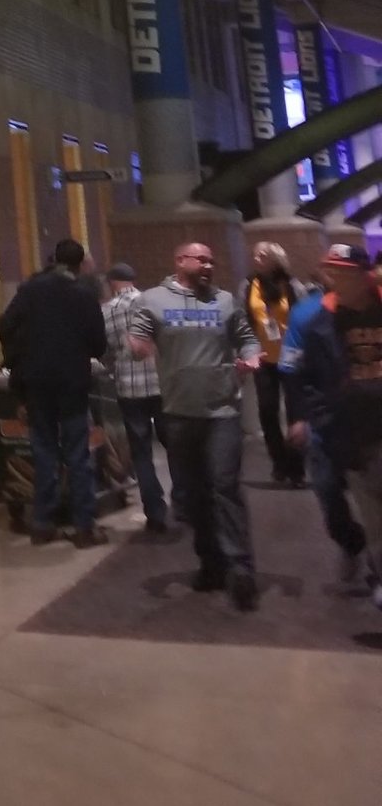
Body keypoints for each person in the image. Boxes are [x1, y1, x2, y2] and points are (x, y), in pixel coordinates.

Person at [131, 240, 260, 610]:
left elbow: (246, 339)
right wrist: (138, 345)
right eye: (201, 259)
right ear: (180, 260)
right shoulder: (153, 300)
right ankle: (211, 562)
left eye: (211, 261)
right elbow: (138, 337)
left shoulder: (223, 302)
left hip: (222, 412)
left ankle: (240, 568)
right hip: (178, 413)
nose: (208, 265)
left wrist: (250, 358)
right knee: (193, 493)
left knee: (224, 485)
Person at [285, 240, 382, 607]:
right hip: (342, 429)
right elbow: (298, 373)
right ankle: (354, 547)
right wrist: (306, 417)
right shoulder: (315, 320)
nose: (337, 278)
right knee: (339, 496)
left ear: (365, 274)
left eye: (344, 272)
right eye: (332, 272)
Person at [0, 237, 109, 548]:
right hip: (72, 382)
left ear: (53, 259)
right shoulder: (84, 294)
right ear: (78, 263)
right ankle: (84, 527)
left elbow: (5, 324)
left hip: (35, 381)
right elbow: (99, 343)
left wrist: (21, 354)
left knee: (43, 450)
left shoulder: (30, 290)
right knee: (77, 453)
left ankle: (42, 524)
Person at [102, 262, 171, 535]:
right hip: (161, 383)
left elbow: (106, 349)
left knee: (141, 451)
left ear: (112, 283)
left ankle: (155, 513)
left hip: (129, 389)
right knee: (173, 444)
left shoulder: (107, 310)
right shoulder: (153, 302)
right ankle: (186, 503)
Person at [242, 242, 307, 485]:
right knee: (267, 411)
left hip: (291, 355)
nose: (257, 258)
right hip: (263, 356)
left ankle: (297, 467)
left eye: (263, 254)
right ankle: (279, 463)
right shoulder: (249, 285)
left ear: (276, 258)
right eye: (255, 253)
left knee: (295, 413)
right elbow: (244, 319)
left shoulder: (291, 286)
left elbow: (304, 317)